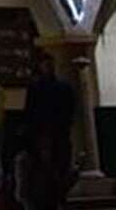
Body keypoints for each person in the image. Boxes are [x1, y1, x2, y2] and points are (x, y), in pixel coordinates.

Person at [17, 51, 77, 210]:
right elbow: (30, 110)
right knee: (47, 166)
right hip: (44, 131)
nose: (48, 68)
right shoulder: (37, 87)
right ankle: (51, 197)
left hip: (58, 130)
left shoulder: (61, 87)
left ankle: (59, 196)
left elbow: (70, 107)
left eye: (50, 65)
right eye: (45, 65)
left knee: (60, 164)